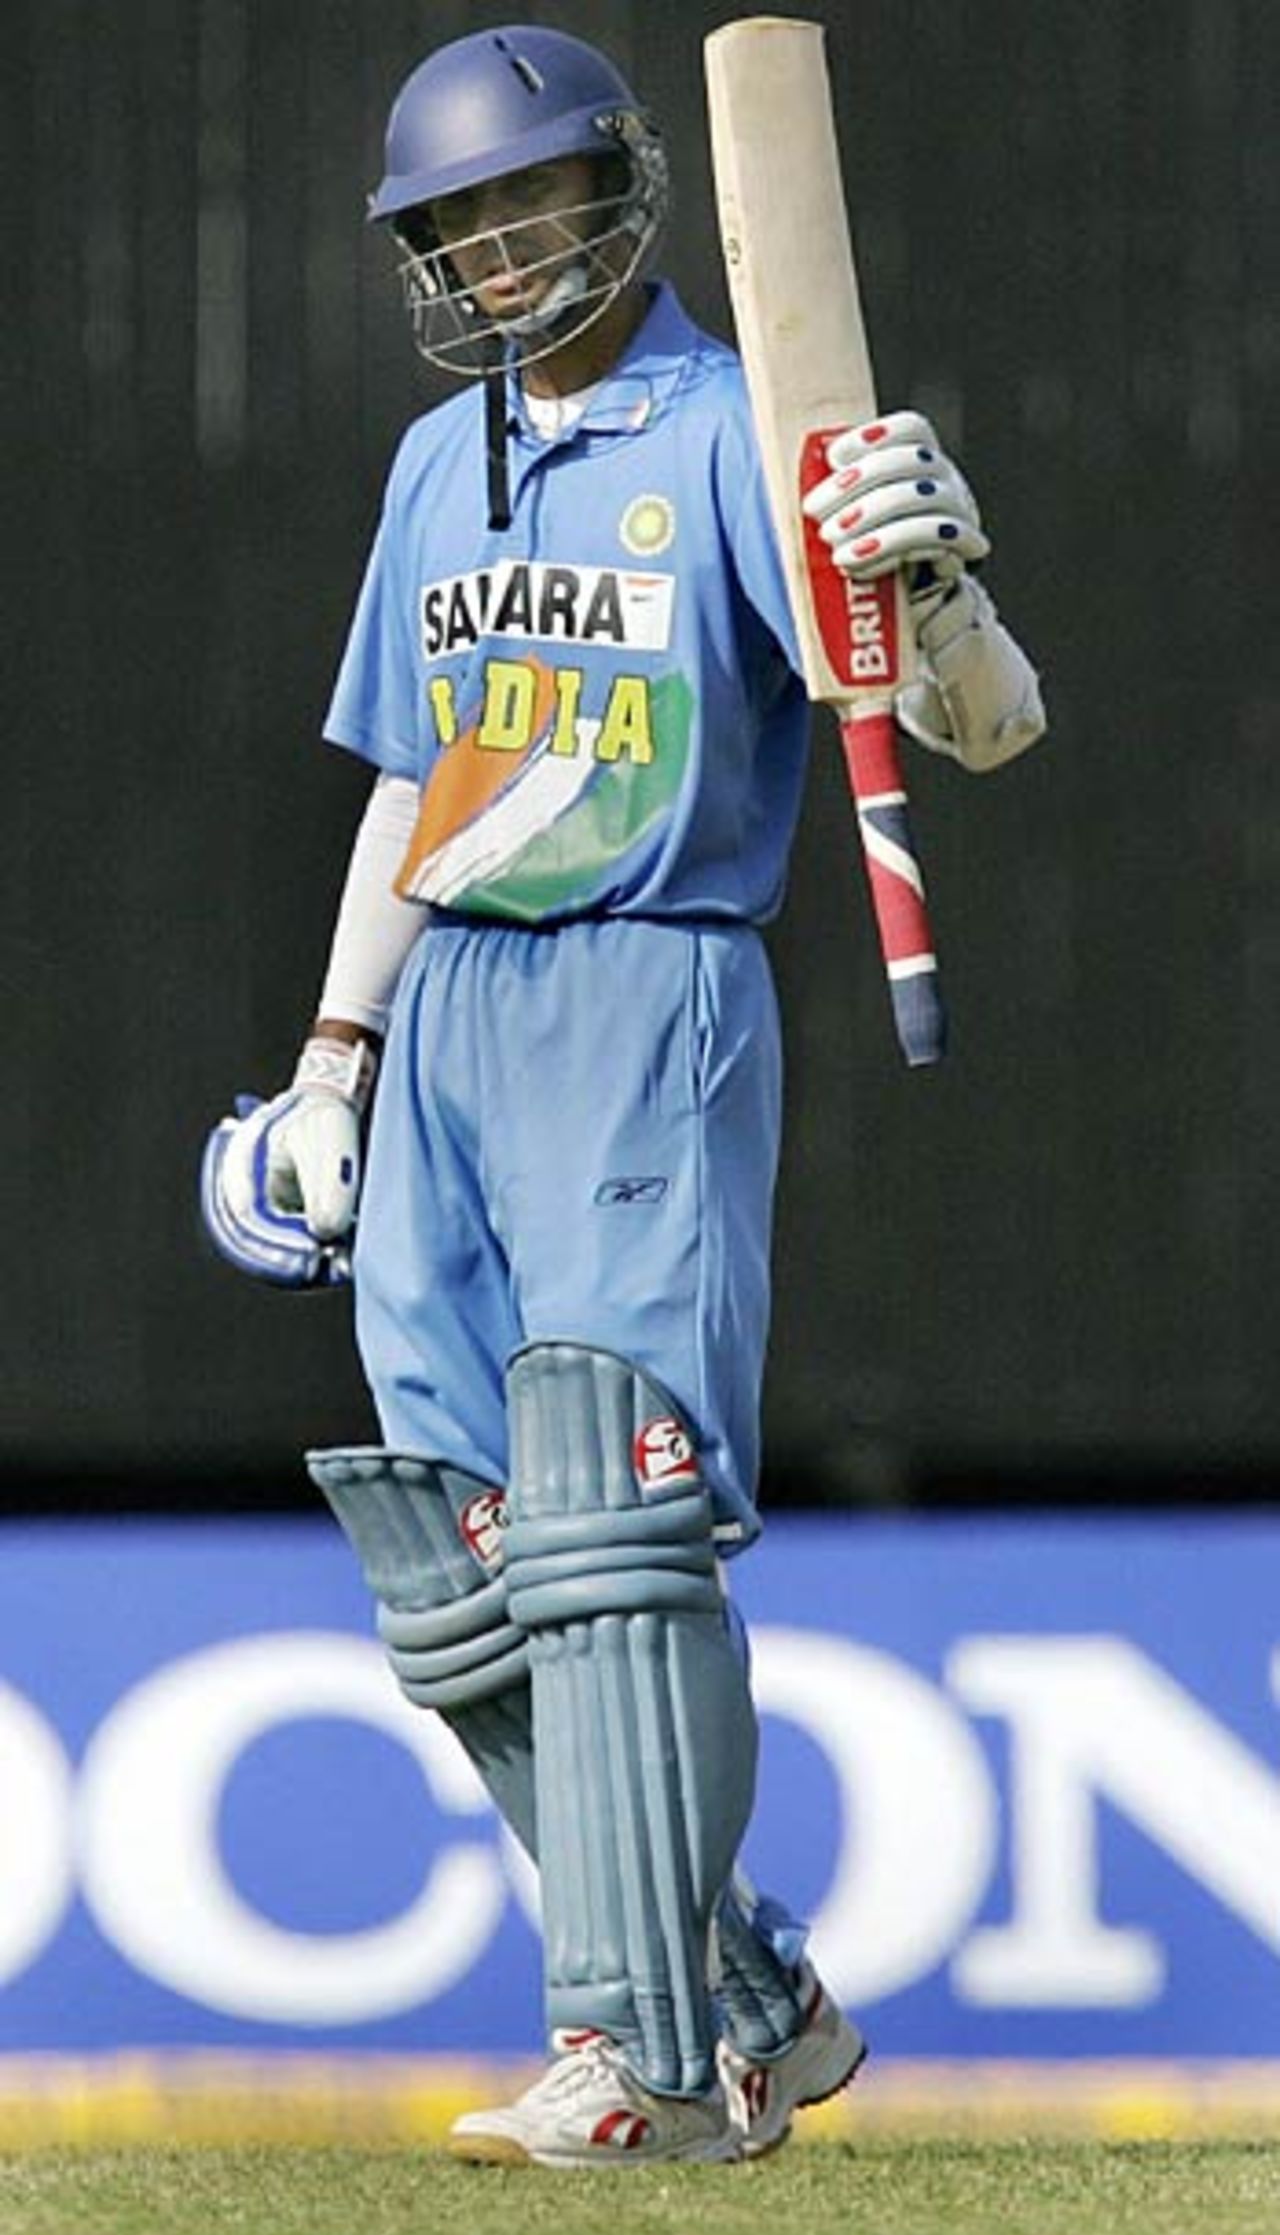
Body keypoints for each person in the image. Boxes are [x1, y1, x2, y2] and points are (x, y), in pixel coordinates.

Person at [201, 22, 1044, 2171]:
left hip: (648, 996)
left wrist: (932, 583)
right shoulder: (433, 467)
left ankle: (663, 2055)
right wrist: (331, 1054)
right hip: (453, 1016)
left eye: (528, 202)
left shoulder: (740, 432)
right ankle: (745, 1973)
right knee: (452, 1556)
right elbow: (417, 772)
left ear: (616, 195)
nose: (497, 252)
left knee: (611, 1512)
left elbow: (975, 724)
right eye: (456, 225)